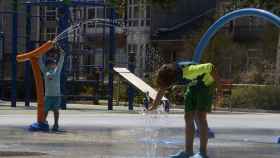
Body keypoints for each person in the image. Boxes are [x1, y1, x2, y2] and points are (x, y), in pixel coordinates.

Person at [149, 62, 220, 158]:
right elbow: (163, 88)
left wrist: (218, 89)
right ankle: (188, 151)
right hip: (192, 87)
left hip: (205, 86)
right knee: (188, 118)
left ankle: (202, 153)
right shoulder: (170, 74)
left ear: (172, 80)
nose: (166, 87)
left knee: (200, 116)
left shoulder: (189, 71)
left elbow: (211, 67)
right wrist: (154, 105)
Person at [39, 46, 65, 132]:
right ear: (47, 65)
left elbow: (61, 61)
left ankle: (56, 124)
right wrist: (41, 52)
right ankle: (43, 122)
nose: (52, 65)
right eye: (50, 63)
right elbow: (40, 63)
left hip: (56, 95)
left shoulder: (57, 71)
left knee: (56, 111)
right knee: (45, 111)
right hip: (48, 96)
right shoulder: (45, 71)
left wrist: (61, 53)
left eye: (54, 63)